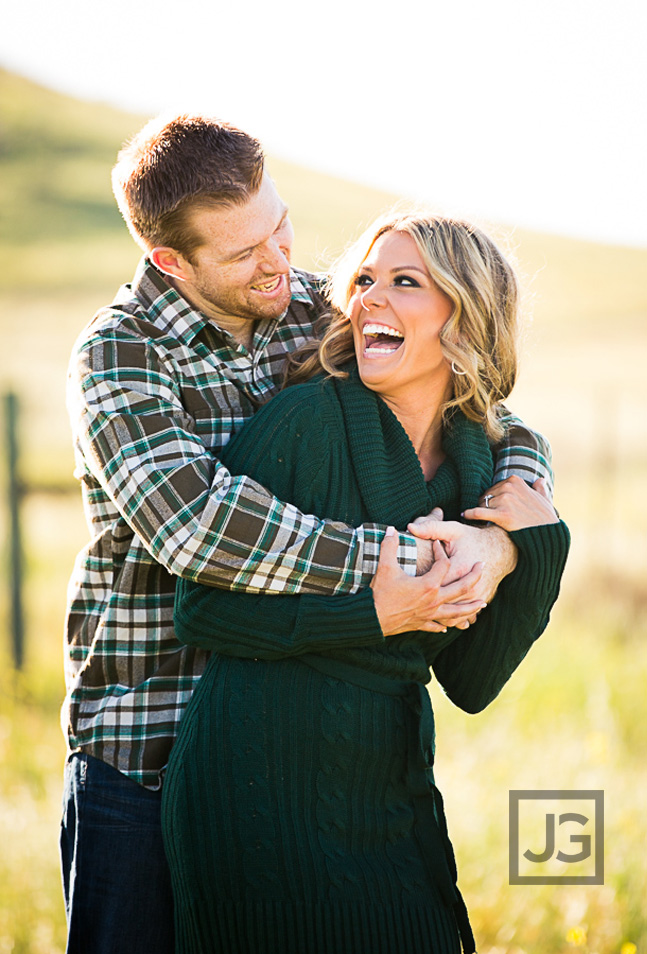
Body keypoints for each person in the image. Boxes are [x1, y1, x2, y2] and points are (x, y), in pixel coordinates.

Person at [61, 114, 554, 954]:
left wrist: (504, 533)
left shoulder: (310, 308)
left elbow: (478, 406)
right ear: (170, 262)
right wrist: (404, 564)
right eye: (244, 251)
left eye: (279, 225)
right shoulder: (119, 356)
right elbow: (197, 528)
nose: (280, 262)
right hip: (145, 747)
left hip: (295, 749)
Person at [162, 212, 570, 954]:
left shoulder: (475, 462)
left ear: (466, 313)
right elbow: (201, 615)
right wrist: (371, 617)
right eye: (364, 281)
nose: (368, 301)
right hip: (254, 789)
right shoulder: (307, 420)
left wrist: (535, 550)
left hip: (388, 792)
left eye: (404, 282)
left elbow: (471, 680)